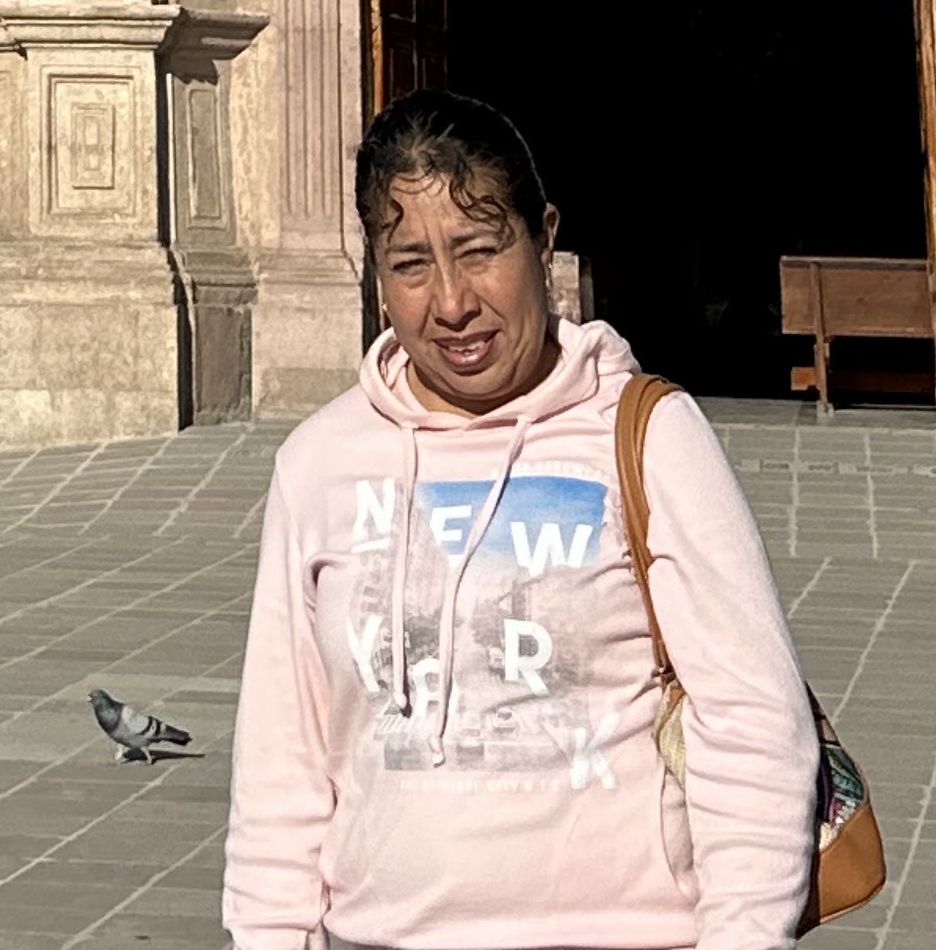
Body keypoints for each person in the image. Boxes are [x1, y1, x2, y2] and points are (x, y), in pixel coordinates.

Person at [224, 89, 820, 950]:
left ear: (543, 237)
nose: (452, 303)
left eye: (478, 250)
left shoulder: (647, 436)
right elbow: (283, 760)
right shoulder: (319, 463)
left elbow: (754, 726)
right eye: (411, 263)